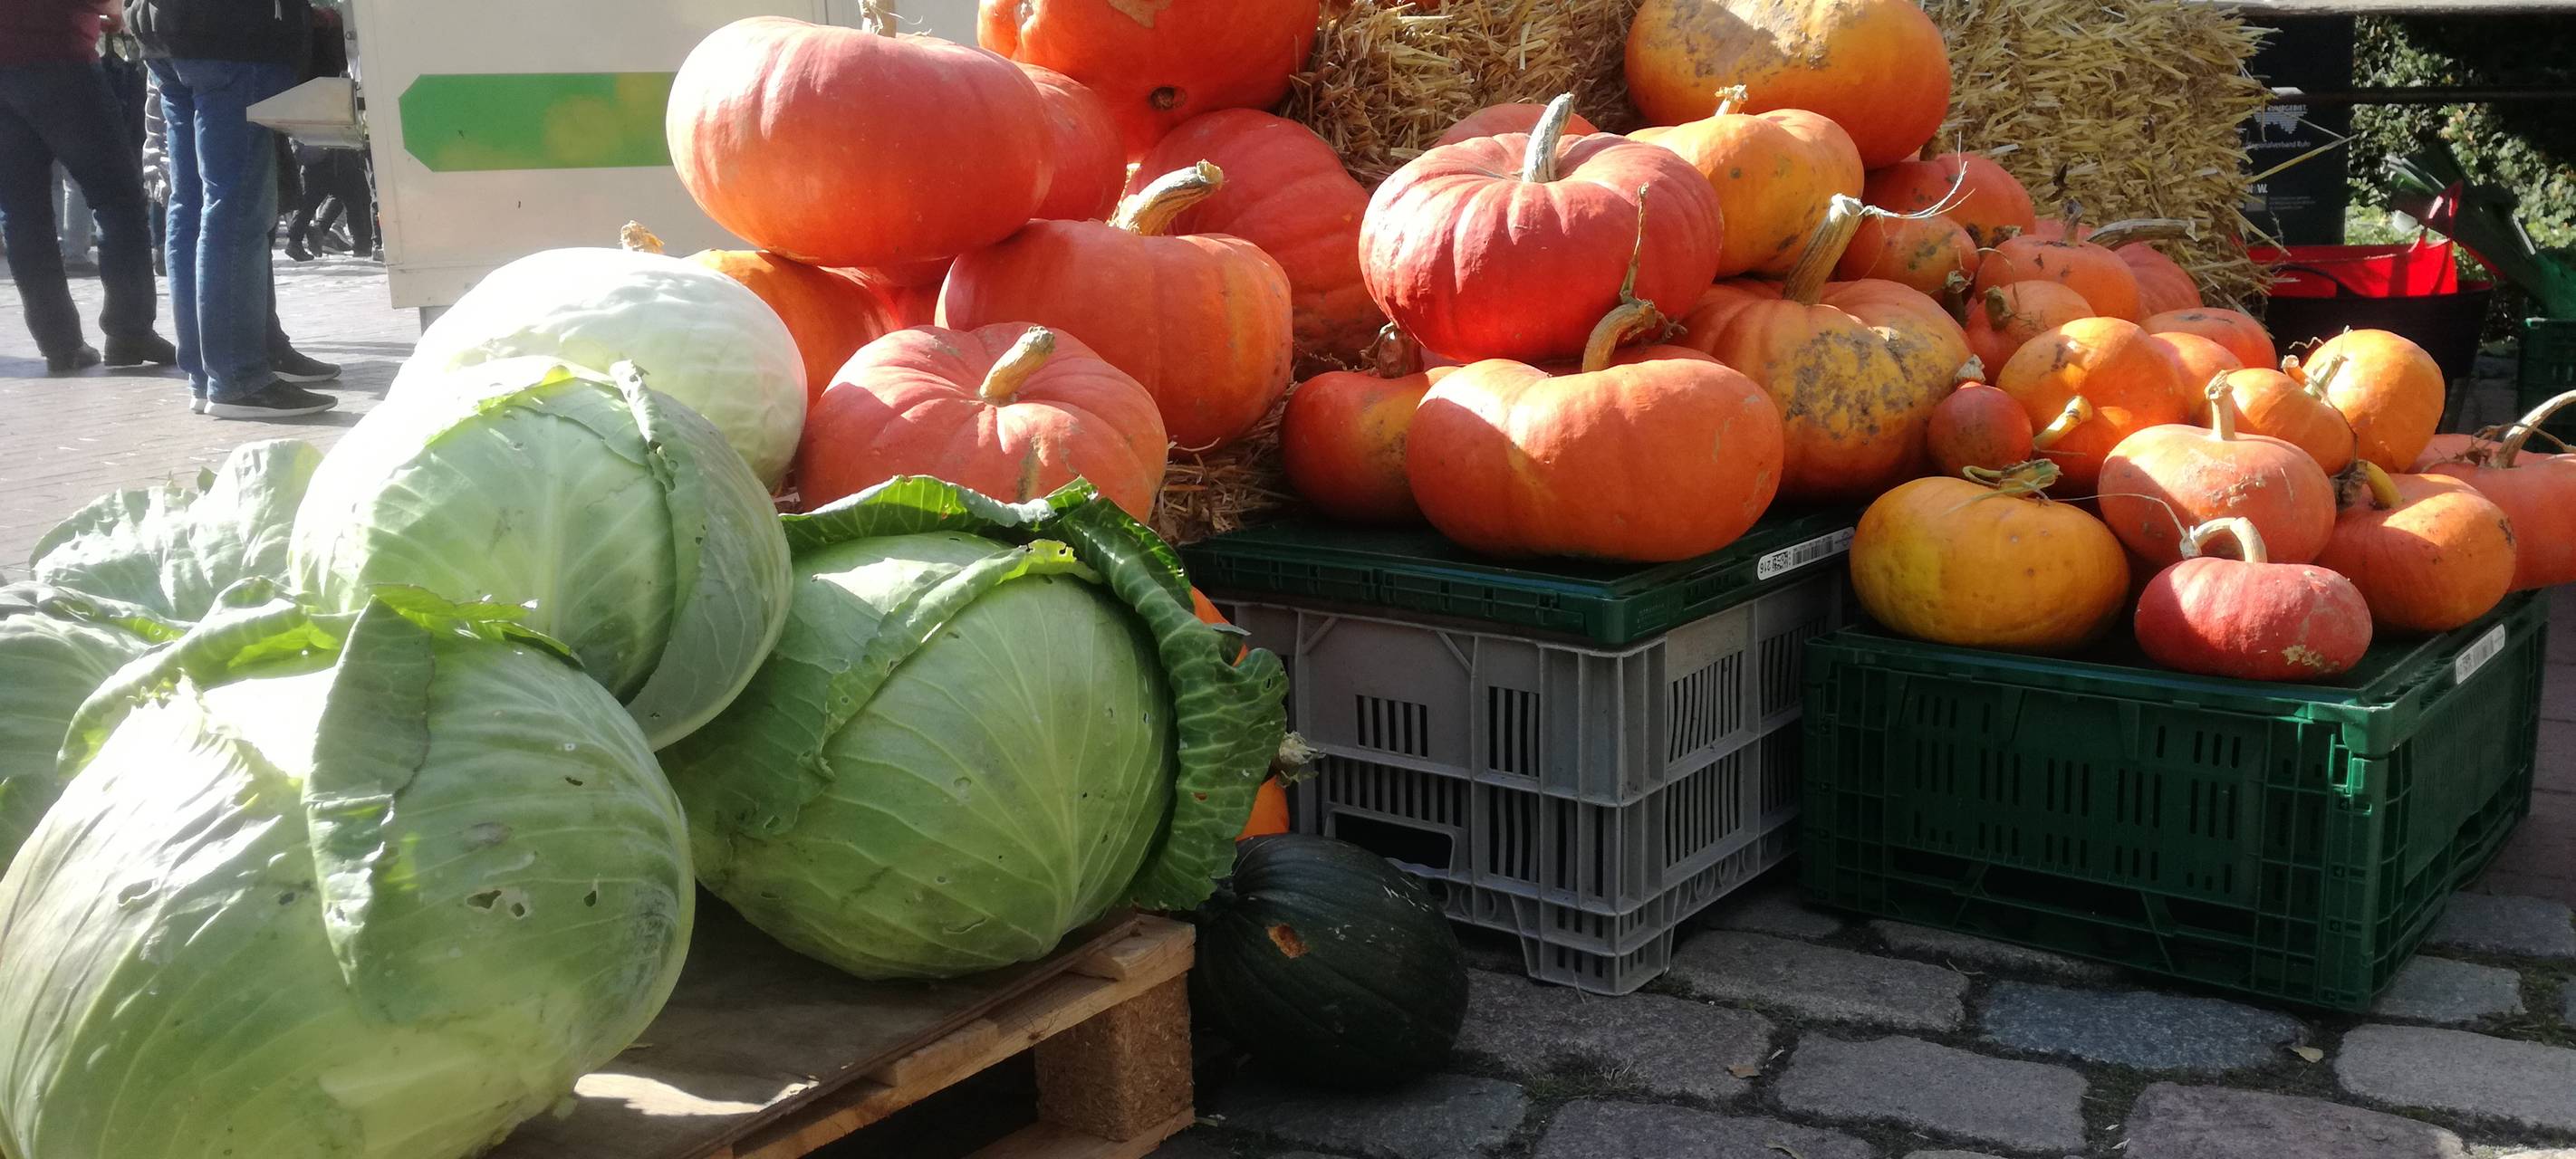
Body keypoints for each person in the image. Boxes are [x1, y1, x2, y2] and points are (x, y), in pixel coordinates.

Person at [130, 0, 333, 418]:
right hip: (236, 30)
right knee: (235, 208)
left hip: (164, 30)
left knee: (191, 205)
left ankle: (206, 376)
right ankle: (237, 378)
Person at [0, 0, 177, 375]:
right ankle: (129, 329)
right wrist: (115, 12)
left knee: (21, 212)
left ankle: (58, 344)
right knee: (118, 200)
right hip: (57, 57)